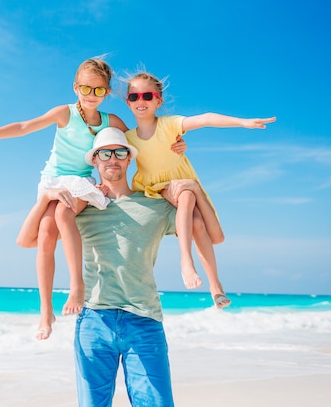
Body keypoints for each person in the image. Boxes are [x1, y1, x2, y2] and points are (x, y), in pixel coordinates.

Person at [17, 127, 208, 406]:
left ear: (130, 158)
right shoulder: (84, 205)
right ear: (95, 160)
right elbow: (27, 241)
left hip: (144, 320)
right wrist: (46, 197)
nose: (112, 159)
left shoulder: (156, 205)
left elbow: (213, 235)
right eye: (104, 153)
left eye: (120, 152)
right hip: (94, 319)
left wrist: (195, 190)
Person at [0, 58, 131, 340]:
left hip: (82, 180)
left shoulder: (112, 122)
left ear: (107, 92)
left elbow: (138, 145)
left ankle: (77, 286)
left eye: (98, 91)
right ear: (76, 87)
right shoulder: (65, 113)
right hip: (52, 180)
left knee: (63, 214)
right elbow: (25, 126)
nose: (91, 96)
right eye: (86, 89)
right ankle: (46, 311)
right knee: (45, 235)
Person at [122, 71, 276, 308]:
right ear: (128, 101)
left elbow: (205, 118)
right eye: (134, 96)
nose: (140, 101)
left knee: (204, 228)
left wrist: (243, 122)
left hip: (182, 179)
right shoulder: (128, 136)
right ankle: (186, 260)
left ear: (158, 101)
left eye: (147, 95)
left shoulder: (169, 124)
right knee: (185, 195)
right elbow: (108, 150)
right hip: (154, 186)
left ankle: (215, 287)